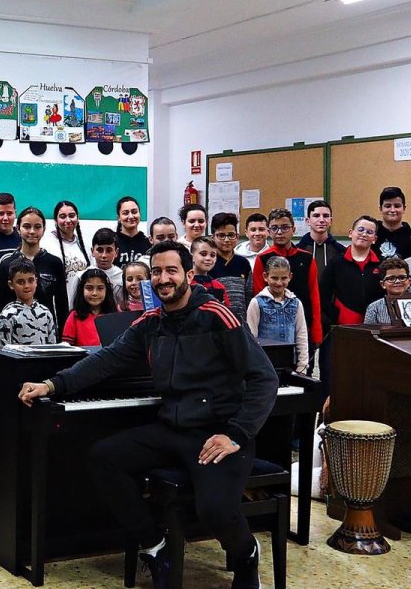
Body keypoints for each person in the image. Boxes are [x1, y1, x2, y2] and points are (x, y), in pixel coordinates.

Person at [18, 241, 278, 588]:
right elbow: (106, 360)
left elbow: (265, 378)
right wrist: (52, 384)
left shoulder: (217, 316)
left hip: (217, 433)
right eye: (156, 272)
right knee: (103, 458)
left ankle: (246, 557)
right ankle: (156, 546)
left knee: (214, 509)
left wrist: (235, 434)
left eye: (171, 271)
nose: (162, 279)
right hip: (173, 429)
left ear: (189, 274)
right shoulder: (151, 321)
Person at [252, 208, 322, 349]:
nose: (279, 232)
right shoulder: (262, 259)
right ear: (269, 231)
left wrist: (316, 330)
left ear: (293, 229)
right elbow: (258, 296)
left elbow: (314, 295)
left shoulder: (307, 258)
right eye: (274, 228)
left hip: (302, 326)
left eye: (284, 227)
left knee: (302, 367)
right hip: (270, 330)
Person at [0, 207, 68, 338]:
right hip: (15, 333)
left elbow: (62, 304)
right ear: (18, 229)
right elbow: (0, 303)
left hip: (46, 331)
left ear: (44, 229)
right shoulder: (6, 264)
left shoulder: (54, 263)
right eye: (27, 226)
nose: (32, 231)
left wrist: (63, 337)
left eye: (37, 227)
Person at [319, 216, 384, 330]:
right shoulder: (336, 263)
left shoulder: (381, 265)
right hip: (344, 326)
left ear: (374, 238)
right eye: (360, 230)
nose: (364, 234)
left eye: (369, 232)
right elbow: (323, 294)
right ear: (350, 233)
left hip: (375, 326)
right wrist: (335, 315)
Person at [246, 256, 309, 374]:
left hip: (290, 366)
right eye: (274, 278)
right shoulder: (256, 303)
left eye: (283, 278)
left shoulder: (296, 303)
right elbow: (251, 338)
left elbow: (301, 335)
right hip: (265, 366)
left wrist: (303, 365)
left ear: (290, 277)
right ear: (265, 276)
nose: (279, 283)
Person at [0, 258, 59, 346]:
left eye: (30, 280)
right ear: (11, 285)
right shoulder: (7, 316)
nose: (26, 286)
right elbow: (4, 351)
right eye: (20, 282)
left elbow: (53, 347)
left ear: (36, 281)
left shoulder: (46, 313)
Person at [209, 213, 251, 323]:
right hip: (215, 322)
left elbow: (249, 295)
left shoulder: (243, 263)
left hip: (240, 322)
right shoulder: (208, 263)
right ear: (213, 237)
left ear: (237, 236)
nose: (227, 240)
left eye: (231, 235)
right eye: (221, 235)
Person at [70, 227, 124, 308]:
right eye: (100, 250)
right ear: (92, 251)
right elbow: (73, 306)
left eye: (109, 250)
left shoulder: (122, 277)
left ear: (116, 252)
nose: (104, 255)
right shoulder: (81, 276)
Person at [62, 268, 118, 346]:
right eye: (89, 288)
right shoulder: (74, 316)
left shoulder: (115, 316)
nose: (94, 293)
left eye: (100, 288)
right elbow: (67, 348)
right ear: (82, 290)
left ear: (107, 290)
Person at [41, 200, 90, 289]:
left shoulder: (85, 246)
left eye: (72, 216)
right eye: (63, 217)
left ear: (77, 218)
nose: (68, 220)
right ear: (56, 220)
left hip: (81, 301)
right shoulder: (46, 244)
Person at [296, 200, 346, 271]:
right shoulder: (297, 251)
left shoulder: (341, 251)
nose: (321, 220)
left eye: (326, 216)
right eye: (316, 216)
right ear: (308, 221)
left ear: (331, 221)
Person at [364, 257, 411, 325]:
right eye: (391, 278)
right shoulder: (374, 307)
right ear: (383, 284)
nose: (398, 281)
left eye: (402, 277)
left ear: (409, 282)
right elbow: (368, 334)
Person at [374, 186, 411, 260]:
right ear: (380, 209)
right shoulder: (372, 233)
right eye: (388, 206)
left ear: (404, 209)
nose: (392, 210)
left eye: (397, 206)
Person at [191, 236, 230, 306]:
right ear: (192, 256)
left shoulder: (219, 287)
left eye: (212, 255)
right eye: (203, 254)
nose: (208, 258)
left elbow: (226, 311)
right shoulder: (185, 285)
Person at [114, 196, 151, 268]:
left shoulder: (148, 243)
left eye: (134, 212)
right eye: (125, 213)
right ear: (118, 218)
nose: (131, 216)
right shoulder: (112, 242)